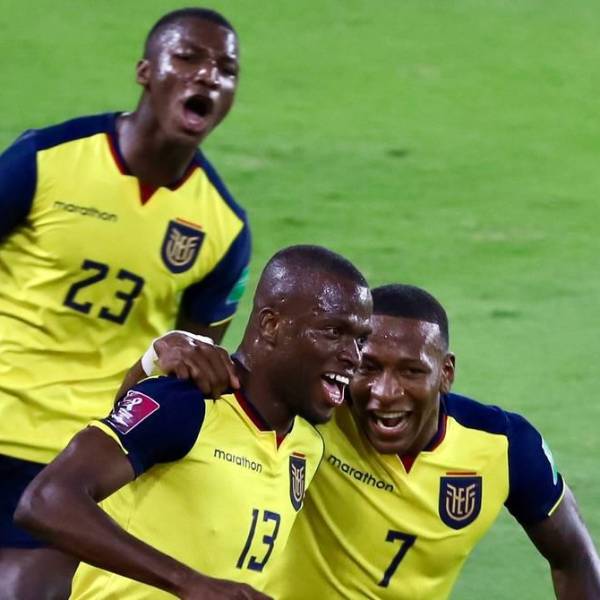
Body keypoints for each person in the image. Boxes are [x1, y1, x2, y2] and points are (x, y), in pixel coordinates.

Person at [0, 7, 250, 597]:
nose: (208, 75)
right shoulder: (45, 160)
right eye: (187, 57)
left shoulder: (221, 228)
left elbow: (192, 368)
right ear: (145, 71)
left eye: (226, 69)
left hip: (74, 459)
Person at [15, 245, 373, 599]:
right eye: (333, 332)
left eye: (360, 340)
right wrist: (188, 583)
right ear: (271, 325)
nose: (353, 356)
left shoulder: (306, 444)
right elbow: (46, 501)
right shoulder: (186, 404)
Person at [265, 283, 600, 599]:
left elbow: (575, 557)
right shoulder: (313, 413)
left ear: (446, 373)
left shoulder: (504, 447)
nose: (385, 392)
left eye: (411, 371)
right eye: (369, 367)